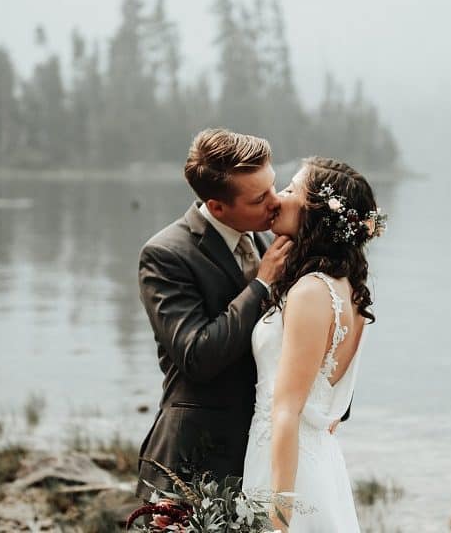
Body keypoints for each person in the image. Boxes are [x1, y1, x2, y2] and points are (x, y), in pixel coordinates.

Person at [135, 128, 293, 498]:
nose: (275, 202)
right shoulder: (165, 255)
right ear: (217, 206)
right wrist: (262, 283)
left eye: (274, 186)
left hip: (261, 456)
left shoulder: (272, 238)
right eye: (259, 198)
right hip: (192, 463)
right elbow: (197, 355)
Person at [243, 156, 386, 531]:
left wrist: (279, 517)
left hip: (286, 468)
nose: (279, 196)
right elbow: (331, 409)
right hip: (317, 460)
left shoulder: (311, 291)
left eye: (291, 189)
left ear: (316, 213)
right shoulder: (351, 293)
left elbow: (287, 411)